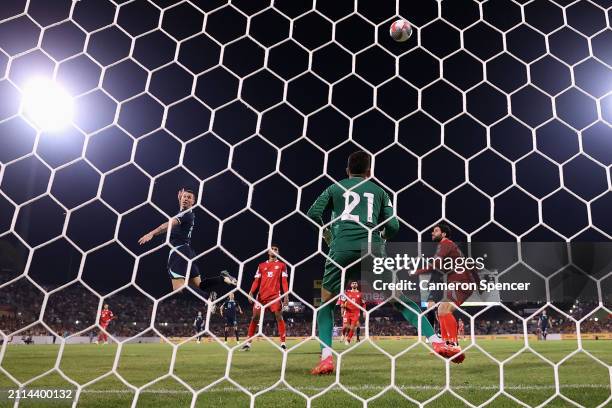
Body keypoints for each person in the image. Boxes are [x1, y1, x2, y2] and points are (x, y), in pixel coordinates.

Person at [307, 151, 455, 375]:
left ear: (347, 170)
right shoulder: (379, 191)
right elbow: (394, 226)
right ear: (369, 172)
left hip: (341, 249)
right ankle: (436, 341)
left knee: (325, 306)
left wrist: (328, 235)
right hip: (373, 250)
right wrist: (382, 237)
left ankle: (327, 357)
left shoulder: (335, 187)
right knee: (400, 301)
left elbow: (312, 213)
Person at [138, 187, 237, 300]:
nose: (185, 199)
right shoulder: (185, 213)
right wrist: (180, 199)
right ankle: (222, 278)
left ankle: (208, 298)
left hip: (178, 251)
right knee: (199, 286)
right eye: (184, 197)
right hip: (187, 252)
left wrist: (151, 233)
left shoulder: (186, 215)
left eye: (189, 198)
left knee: (178, 288)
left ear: (194, 202)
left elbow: (167, 225)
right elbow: (177, 218)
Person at [415, 223, 480, 363]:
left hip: (462, 281)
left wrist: (417, 271)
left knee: (444, 309)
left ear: (443, 234)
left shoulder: (446, 244)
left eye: (436, 230)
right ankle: (447, 346)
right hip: (459, 281)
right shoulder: (450, 247)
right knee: (441, 309)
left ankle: (454, 345)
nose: (432, 232)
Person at [240, 245, 289, 351]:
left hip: (275, 297)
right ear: (268, 251)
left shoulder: (282, 265)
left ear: (278, 253)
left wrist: (286, 295)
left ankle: (283, 343)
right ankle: (248, 343)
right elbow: (256, 281)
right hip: (261, 297)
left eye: (276, 249)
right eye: (273, 249)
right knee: (254, 317)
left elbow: (284, 281)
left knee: (279, 317)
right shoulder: (261, 266)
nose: (274, 250)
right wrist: (251, 292)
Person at [339, 281, 365, 345]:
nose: (354, 284)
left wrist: (364, 311)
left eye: (355, 283)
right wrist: (342, 307)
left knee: (352, 327)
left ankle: (348, 340)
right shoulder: (347, 293)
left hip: (356, 313)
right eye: (353, 283)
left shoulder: (361, 294)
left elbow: (363, 303)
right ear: (351, 285)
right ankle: (343, 334)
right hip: (347, 312)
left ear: (357, 285)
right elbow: (342, 301)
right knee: (345, 326)